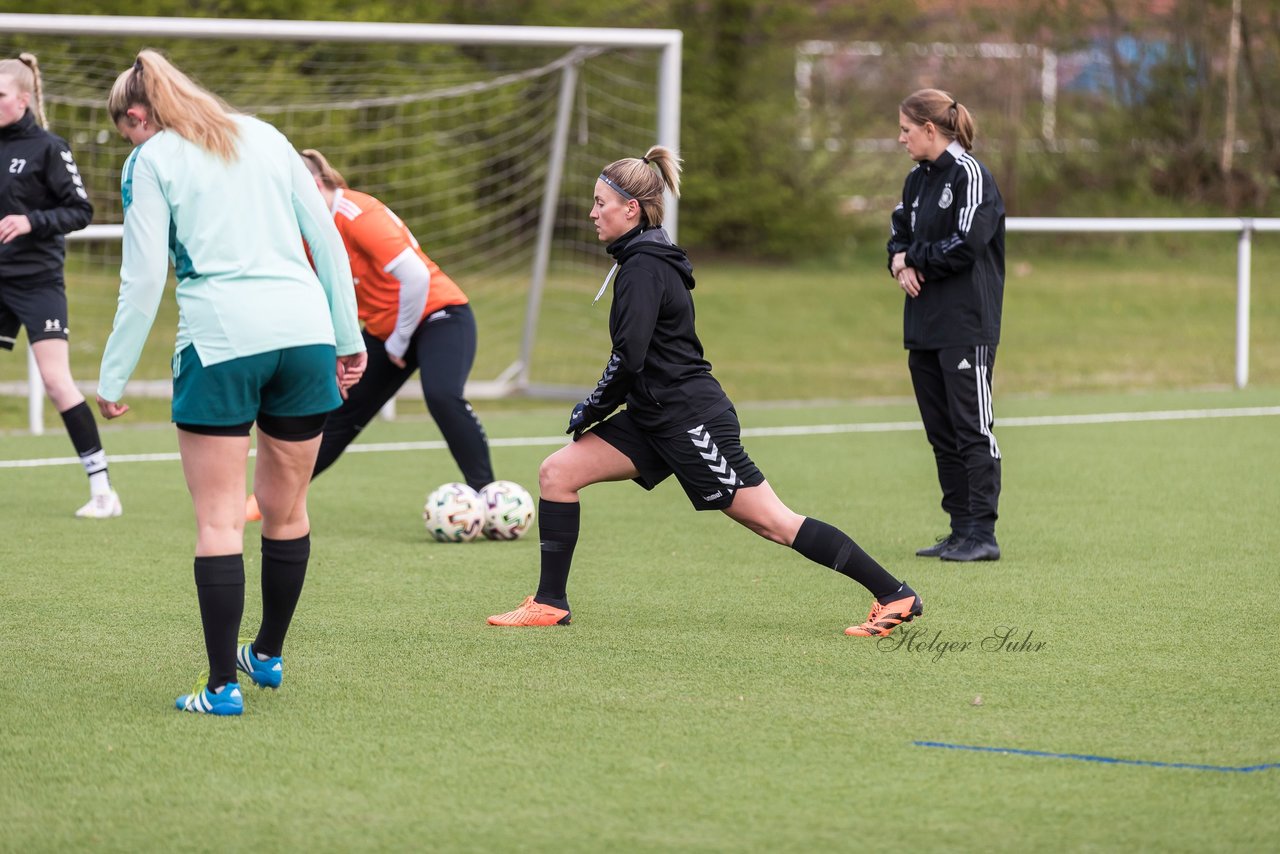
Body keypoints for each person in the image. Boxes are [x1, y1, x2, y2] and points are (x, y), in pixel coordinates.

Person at [488, 146, 922, 638]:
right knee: (557, 473)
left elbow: (628, 356)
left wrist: (594, 405)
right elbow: (636, 358)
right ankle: (550, 602)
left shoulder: (643, 267)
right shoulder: (639, 258)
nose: (592, 213)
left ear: (630, 209)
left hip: (689, 420)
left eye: (599, 203)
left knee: (774, 523)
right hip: (653, 415)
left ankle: (894, 593)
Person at [97, 50, 367, 716]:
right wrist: (349, 336)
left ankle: (221, 688)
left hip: (223, 341)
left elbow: (143, 278)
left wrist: (111, 373)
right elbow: (326, 242)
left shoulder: (151, 161)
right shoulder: (267, 137)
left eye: (127, 130)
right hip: (304, 336)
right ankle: (266, 653)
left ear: (139, 115)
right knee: (288, 509)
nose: (131, 142)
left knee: (220, 521)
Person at [243, 148, 493, 522]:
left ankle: (487, 497)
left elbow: (416, 278)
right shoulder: (308, 233)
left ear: (312, 185)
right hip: (384, 331)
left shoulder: (357, 213)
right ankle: (270, 499)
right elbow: (325, 301)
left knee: (442, 395)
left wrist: (398, 341)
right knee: (338, 413)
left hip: (440, 314)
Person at [0, 53, 121, 518]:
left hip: (37, 281)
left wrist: (30, 221)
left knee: (55, 381)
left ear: (23, 100)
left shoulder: (49, 148)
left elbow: (81, 211)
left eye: (1, 96)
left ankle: (103, 491)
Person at [887, 88, 1005, 562]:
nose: (901, 139)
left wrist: (911, 258)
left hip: (965, 324)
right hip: (923, 325)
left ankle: (983, 534)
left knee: (972, 427)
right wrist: (898, 263)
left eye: (905, 129)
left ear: (930, 129)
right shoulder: (916, 180)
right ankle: (959, 529)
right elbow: (897, 235)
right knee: (941, 432)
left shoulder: (972, 175)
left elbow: (966, 245)